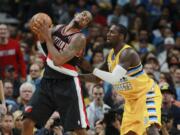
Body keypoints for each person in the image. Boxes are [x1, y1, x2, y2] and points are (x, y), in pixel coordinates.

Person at [79, 24, 162, 135]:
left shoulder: (127, 53)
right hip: (131, 101)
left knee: (150, 128)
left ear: (121, 36)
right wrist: (76, 76)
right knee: (129, 133)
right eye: (108, 31)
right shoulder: (110, 55)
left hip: (147, 94)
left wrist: (90, 68)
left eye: (112, 32)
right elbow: (96, 78)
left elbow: (114, 79)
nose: (108, 34)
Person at [22, 10, 93, 135]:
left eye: (87, 20)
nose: (84, 18)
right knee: (27, 121)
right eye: (83, 15)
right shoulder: (59, 28)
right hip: (47, 81)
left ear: (85, 26)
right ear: (76, 14)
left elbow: (58, 60)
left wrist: (48, 39)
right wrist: (40, 30)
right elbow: (44, 45)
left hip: (67, 85)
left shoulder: (79, 38)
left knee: (79, 130)